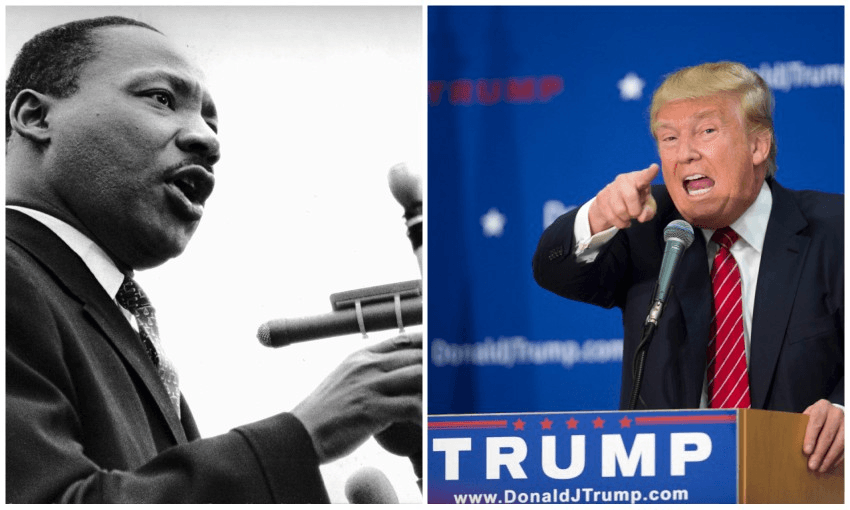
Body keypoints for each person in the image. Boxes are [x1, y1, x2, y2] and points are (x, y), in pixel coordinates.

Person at [6, 16, 421, 503]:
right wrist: (303, 436)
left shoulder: (108, 318)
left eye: (212, 121)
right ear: (35, 116)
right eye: (161, 98)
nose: (209, 141)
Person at [533, 61, 843, 474]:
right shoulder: (648, 226)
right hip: (674, 485)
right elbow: (552, 270)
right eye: (669, 138)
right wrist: (599, 215)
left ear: (758, 145)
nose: (685, 153)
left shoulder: (836, 229)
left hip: (802, 481)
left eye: (706, 131)